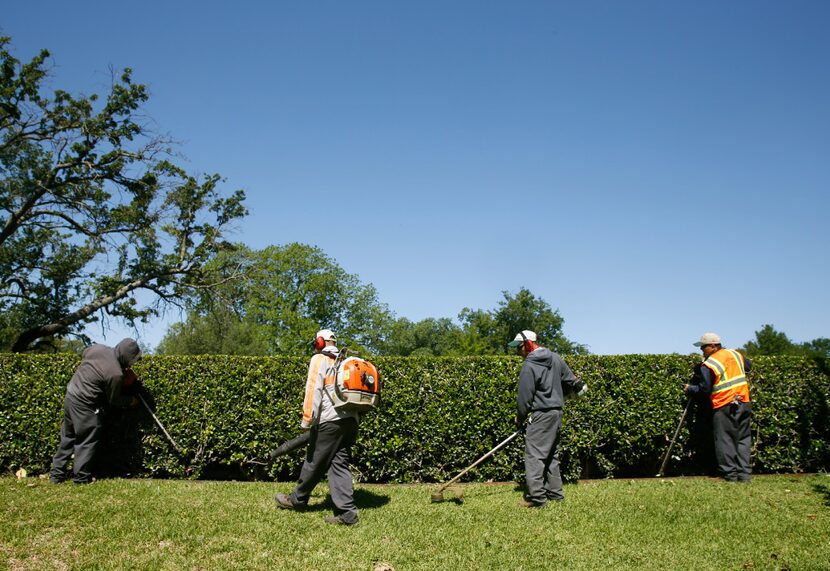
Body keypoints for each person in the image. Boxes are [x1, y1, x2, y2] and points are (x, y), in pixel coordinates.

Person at [275, 329, 360, 525]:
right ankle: (348, 515)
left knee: (314, 461)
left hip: (329, 420)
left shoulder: (319, 359)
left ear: (320, 342)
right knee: (339, 465)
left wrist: (307, 421)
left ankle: (297, 500)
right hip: (350, 421)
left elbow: (313, 391)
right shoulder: (346, 361)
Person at [509, 330, 587, 507]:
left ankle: (537, 498)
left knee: (534, 456)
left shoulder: (529, 365)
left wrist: (520, 417)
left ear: (528, 344)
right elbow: (571, 380)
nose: (517, 352)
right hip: (556, 413)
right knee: (552, 454)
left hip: (542, 414)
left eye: (519, 347)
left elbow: (524, 397)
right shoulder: (555, 358)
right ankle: (555, 493)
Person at [50, 338, 142, 484]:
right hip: (85, 403)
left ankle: (56, 476)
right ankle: (81, 478)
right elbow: (114, 400)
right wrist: (131, 401)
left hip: (71, 396)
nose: (132, 363)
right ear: (126, 356)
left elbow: (84, 354)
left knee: (68, 437)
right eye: (132, 360)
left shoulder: (98, 349)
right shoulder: (115, 374)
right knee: (87, 439)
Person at [684, 332, 753, 482]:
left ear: (713, 346)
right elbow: (749, 366)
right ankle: (744, 476)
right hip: (744, 401)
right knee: (743, 439)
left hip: (724, 404)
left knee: (724, 439)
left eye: (703, 348)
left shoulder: (710, 363)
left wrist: (690, 388)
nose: (702, 351)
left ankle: (730, 475)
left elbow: (704, 388)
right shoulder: (735, 354)